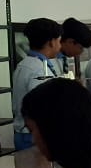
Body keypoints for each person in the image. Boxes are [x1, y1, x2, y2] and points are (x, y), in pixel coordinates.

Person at [12, 18, 64, 152]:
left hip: (26, 133)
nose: (60, 45)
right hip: (33, 136)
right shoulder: (39, 70)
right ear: (51, 42)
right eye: (59, 41)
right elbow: (42, 107)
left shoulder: (27, 63)